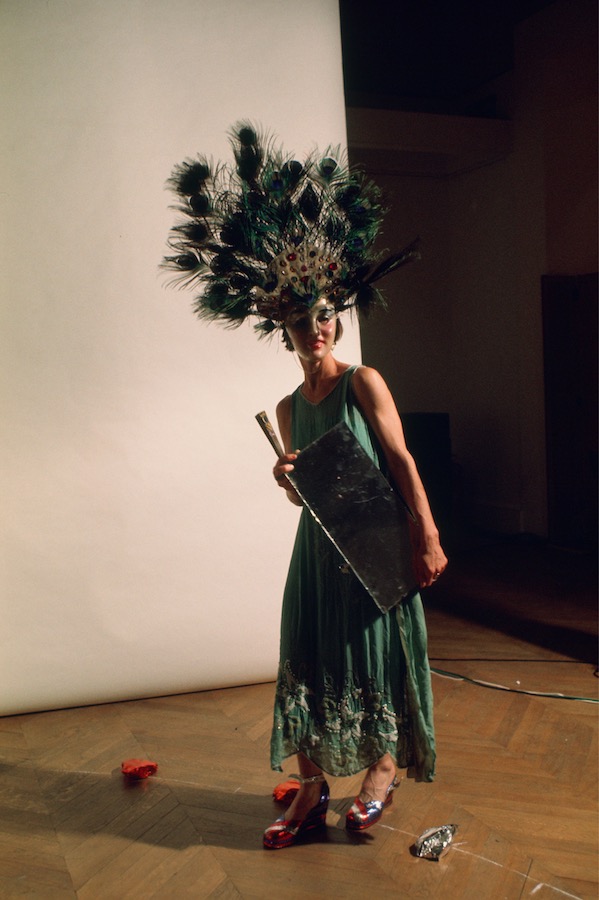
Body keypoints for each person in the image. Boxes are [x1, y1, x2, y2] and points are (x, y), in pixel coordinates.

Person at [162, 122, 448, 851]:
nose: (312, 327)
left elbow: (403, 463)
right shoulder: (289, 409)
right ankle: (312, 793)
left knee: (374, 659)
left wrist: (428, 534)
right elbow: (303, 500)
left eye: (322, 315)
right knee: (315, 661)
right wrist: (285, 479)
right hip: (320, 555)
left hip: (377, 544)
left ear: (336, 320)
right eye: (298, 319)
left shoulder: (363, 381)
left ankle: (380, 771)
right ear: (282, 327)